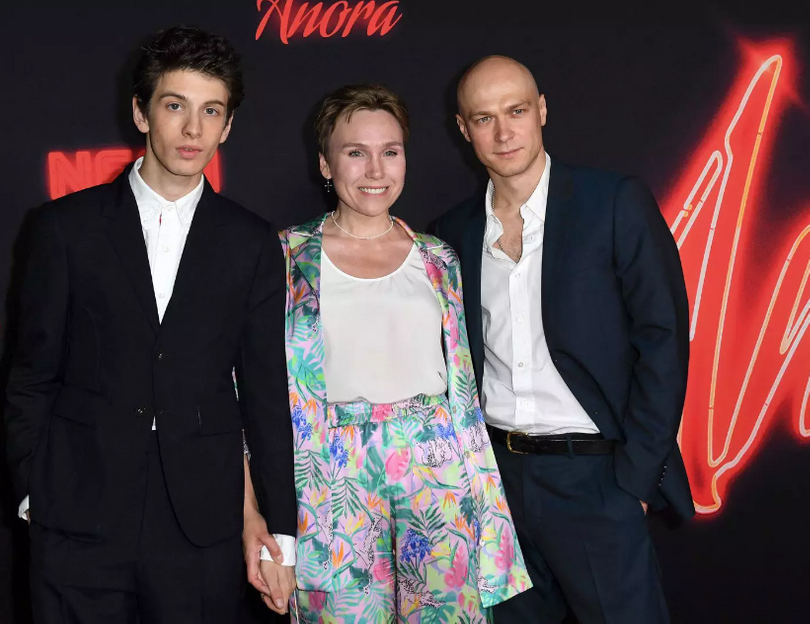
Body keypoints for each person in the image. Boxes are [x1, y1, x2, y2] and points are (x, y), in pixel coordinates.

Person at [3, 25, 295, 623]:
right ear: (141, 112)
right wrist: (36, 494)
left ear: (228, 126)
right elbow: (31, 376)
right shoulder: (64, 228)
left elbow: (265, 393)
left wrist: (280, 533)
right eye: (175, 106)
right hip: (79, 511)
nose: (193, 130)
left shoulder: (252, 243)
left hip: (201, 524)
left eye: (211, 111)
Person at [432, 56, 694, 623]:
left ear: (542, 110)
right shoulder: (452, 233)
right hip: (496, 483)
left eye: (517, 111)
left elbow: (664, 339)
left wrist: (634, 481)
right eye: (484, 118)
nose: (504, 133)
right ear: (463, 129)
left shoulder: (614, 203)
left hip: (596, 479)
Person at [274, 84, 531, 623]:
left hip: (437, 469)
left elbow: (464, 386)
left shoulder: (439, 258)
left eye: (390, 151)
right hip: (330, 476)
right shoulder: (287, 257)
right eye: (355, 152)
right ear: (325, 163)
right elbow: (250, 387)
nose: (375, 169)